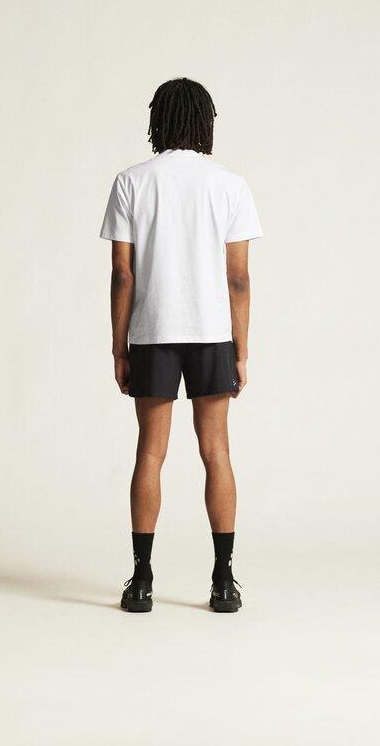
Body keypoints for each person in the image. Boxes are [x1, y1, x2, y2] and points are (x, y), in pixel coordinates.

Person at [99, 77, 263, 613]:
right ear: (204, 122)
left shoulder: (131, 182)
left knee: (150, 452)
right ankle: (223, 581)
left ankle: (141, 580)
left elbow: (123, 274)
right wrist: (240, 350)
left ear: (158, 122)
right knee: (217, 451)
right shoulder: (230, 185)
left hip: (153, 333)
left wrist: (119, 347)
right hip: (212, 333)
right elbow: (238, 278)